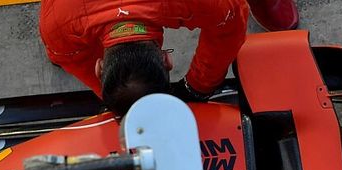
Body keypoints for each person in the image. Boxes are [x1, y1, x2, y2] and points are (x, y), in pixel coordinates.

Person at [39, 0, 299, 117]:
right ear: (167, 61)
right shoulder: (55, 26)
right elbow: (224, 28)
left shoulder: (57, 27)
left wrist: (200, 85)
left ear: (100, 66)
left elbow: (231, 19)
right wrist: (197, 87)